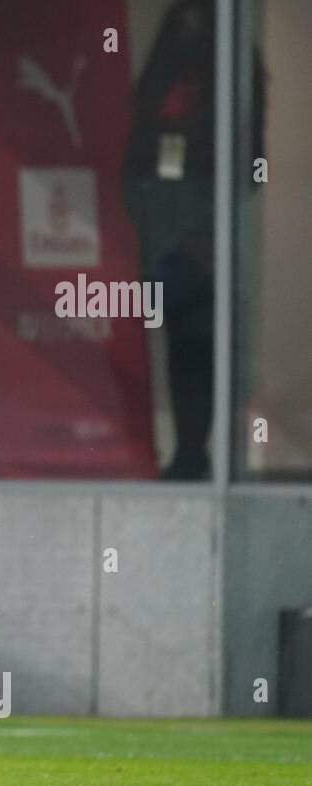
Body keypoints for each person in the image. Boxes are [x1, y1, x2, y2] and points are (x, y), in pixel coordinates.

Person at [122, 0, 265, 480]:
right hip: (165, 235)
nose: (191, 29)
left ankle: (213, 456)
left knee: (211, 350)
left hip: (209, 236)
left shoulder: (234, 79)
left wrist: (213, 225)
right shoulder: (160, 80)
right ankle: (189, 453)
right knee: (182, 350)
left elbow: (251, 166)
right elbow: (138, 155)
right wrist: (143, 212)